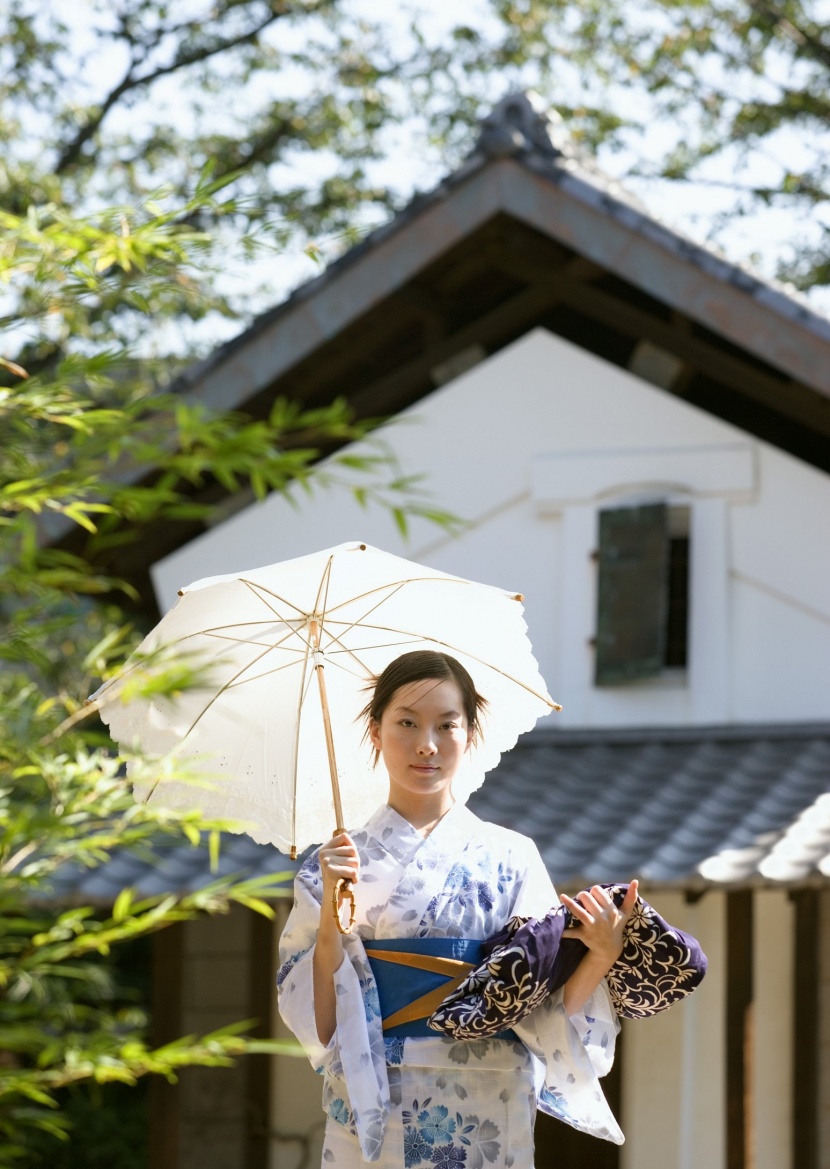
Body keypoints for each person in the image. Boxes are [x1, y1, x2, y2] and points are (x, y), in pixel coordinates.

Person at [277, 650, 638, 1167]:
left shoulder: (512, 857)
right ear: (375, 731)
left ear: (469, 734)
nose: (427, 745)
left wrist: (601, 955)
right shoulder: (331, 867)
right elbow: (324, 1026)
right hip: (375, 1095)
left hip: (489, 1097)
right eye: (406, 723)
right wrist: (333, 927)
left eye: (447, 725)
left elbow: (546, 1007)